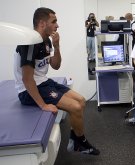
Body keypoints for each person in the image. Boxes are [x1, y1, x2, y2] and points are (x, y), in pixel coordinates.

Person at [14, 7, 100, 155]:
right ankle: (81, 143)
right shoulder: (29, 43)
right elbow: (27, 79)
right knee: (76, 107)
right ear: (42, 24)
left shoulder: (46, 40)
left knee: (81, 100)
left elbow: (55, 65)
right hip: (27, 91)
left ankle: (75, 140)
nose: (57, 25)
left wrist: (57, 46)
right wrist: (43, 105)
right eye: (53, 22)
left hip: (43, 82)